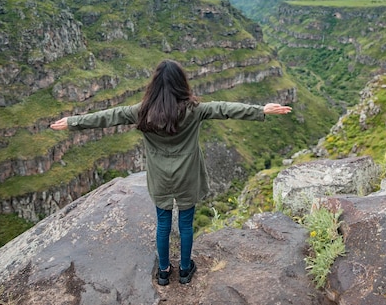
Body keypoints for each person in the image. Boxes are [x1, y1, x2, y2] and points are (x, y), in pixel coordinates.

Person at [50, 59, 292, 286]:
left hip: (160, 178)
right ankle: (185, 270)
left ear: (154, 86)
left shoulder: (141, 112)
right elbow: (224, 108)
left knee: (163, 223)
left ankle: (164, 272)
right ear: (181, 84)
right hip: (188, 175)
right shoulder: (194, 110)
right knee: (186, 224)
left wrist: (73, 122)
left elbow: (107, 117)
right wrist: (260, 109)